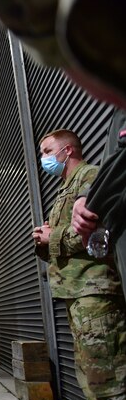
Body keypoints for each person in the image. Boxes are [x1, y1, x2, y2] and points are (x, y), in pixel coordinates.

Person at [32, 129, 126, 400]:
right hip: (75, 292)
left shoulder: (91, 177)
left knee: (110, 374)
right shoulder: (64, 191)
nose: (43, 156)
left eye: (47, 150)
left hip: (95, 290)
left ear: (67, 150)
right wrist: (44, 241)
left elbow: (93, 230)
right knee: (90, 373)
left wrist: (51, 235)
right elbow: (63, 243)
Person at [72, 110, 126, 292]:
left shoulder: (87, 175)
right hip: (77, 286)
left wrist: (91, 204)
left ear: (67, 150)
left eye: (48, 151)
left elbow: (86, 221)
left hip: (95, 285)